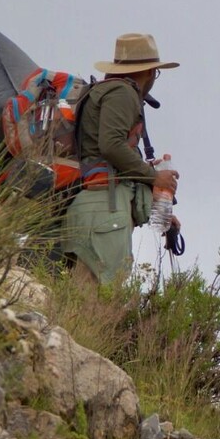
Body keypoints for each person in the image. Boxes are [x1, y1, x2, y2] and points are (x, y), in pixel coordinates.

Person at [62, 33, 180, 284]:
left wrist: (156, 201)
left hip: (92, 208)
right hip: (105, 214)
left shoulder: (104, 91)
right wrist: (154, 176)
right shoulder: (123, 93)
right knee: (96, 305)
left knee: (82, 301)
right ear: (149, 72)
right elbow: (111, 145)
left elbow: (109, 154)